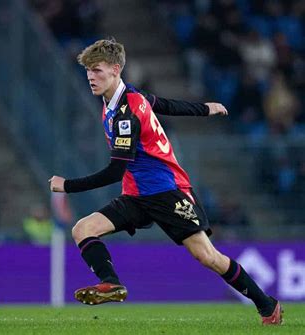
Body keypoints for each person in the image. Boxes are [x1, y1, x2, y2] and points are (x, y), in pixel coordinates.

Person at [48, 39, 282, 325]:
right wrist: (205, 108)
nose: (91, 78)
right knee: (83, 229)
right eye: (88, 72)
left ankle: (267, 305)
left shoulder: (126, 114)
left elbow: (114, 172)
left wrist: (67, 185)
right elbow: (166, 104)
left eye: (97, 71)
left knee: (208, 257)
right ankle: (111, 283)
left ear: (116, 69)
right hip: (136, 195)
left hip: (168, 193)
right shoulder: (127, 98)